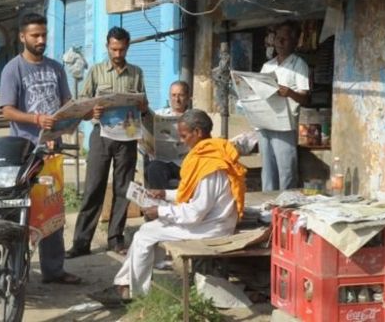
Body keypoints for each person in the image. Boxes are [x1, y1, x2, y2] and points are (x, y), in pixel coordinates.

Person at [89, 109, 247, 304]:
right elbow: (192, 195)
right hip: (209, 221)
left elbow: (195, 212)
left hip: (212, 228)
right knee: (146, 232)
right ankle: (126, 285)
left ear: (197, 132)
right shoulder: (209, 154)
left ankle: (131, 290)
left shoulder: (210, 164)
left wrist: (161, 211)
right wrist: (165, 194)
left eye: (184, 135)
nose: (181, 141)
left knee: (146, 233)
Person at [0, 13, 81, 285]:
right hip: (23, 153)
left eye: (44, 35)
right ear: (23, 36)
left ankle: (53, 270)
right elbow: (7, 111)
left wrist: (83, 113)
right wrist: (35, 119)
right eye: (35, 35)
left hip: (51, 152)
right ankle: (13, 270)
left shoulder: (56, 68)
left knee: (52, 211)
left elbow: (67, 103)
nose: (41, 40)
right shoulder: (13, 69)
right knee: (19, 211)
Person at [66, 27, 148, 258]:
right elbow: (82, 102)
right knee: (93, 187)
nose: (117, 54)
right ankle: (81, 243)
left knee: (124, 189)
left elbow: (144, 103)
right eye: (113, 49)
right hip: (101, 135)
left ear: (128, 47)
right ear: (107, 46)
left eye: (121, 49)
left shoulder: (137, 73)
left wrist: (142, 106)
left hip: (128, 136)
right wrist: (93, 109)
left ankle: (115, 239)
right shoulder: (96, 71)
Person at [258, 21, 309, 191]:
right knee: (268, 169)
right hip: (265, 122)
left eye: (285, 39)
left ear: (294, 42)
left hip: (285, 124)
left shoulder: (299, 65)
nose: (280, 43)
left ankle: (286, 204)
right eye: (278, 38)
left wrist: (289, 93)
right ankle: (267, 207)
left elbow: (305, 98)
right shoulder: (268, 65)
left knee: (286, 170)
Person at [145, 80, 190, 190]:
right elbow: (147, 135)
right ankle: (160, 204)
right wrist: (148, 147)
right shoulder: (159, 115)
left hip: (186, 163)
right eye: (173, 95)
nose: (177, 99)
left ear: (188, 97)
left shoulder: (195, 116)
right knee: (153, 168)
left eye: (181, 95)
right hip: (163, 161)